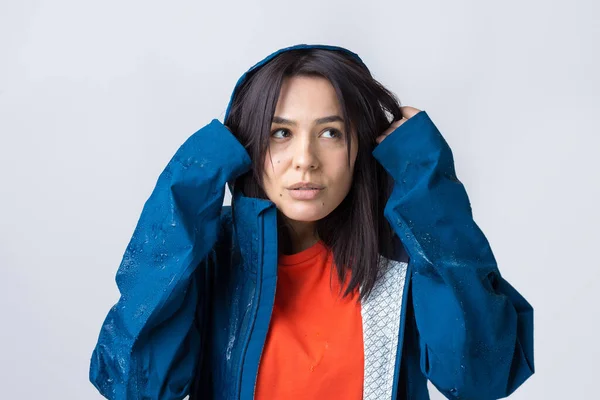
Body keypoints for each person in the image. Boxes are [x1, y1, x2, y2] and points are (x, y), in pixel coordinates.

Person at [89, 44, 534, 400]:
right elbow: (134, 387)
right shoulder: (212, 258)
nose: (305, 161)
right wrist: (194, 176)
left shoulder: (403, 259)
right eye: (279, 133)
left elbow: (483, 379)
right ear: (247, 146)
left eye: (330, 133)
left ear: (358, 147)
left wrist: (427, 182)